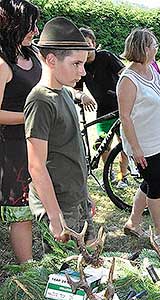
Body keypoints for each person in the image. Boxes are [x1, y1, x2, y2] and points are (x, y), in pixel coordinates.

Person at [24, 17, 96, 244]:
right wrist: (55, 217)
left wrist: (84, 196)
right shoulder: (40, 101)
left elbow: (70, 150)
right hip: (59, 205)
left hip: (76, 198)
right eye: (76, 64)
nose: (82, 72)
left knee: (90, 266)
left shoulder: (64, 92)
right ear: (52, 60)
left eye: (83, 64)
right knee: (65, 274)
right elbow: (36, 166)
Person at [118, 28, 160, 250]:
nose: (156, 48)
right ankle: (159, 233)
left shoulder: (152, 70)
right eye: (153, 45)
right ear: (142, 48)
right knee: (155, 186)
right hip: (143, 144)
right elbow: (125, 116)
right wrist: (135, 148)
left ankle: (133, 222)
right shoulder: (128, 79)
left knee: (153, 178)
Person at [0, 0, 40, 263]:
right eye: (31, 25)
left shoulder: (30, 53)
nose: (35, 31)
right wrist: (32, 117)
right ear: (12, 25)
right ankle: (27, 270)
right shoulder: (1, 63)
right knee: (20, 210)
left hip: (32, 143)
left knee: (33, 204)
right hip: (10, 149)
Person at [75, 27, 128, 188]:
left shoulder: (106, 56)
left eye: (88, 44)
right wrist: (82, 96)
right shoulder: (80, 65)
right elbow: (75, 88)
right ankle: (108, 173)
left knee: (124, 143)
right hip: (102, 110)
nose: (86, 49)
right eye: (81, 45)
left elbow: (125, 73)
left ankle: (122, 176)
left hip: (121, 106)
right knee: (103, 144)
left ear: (94, 44)